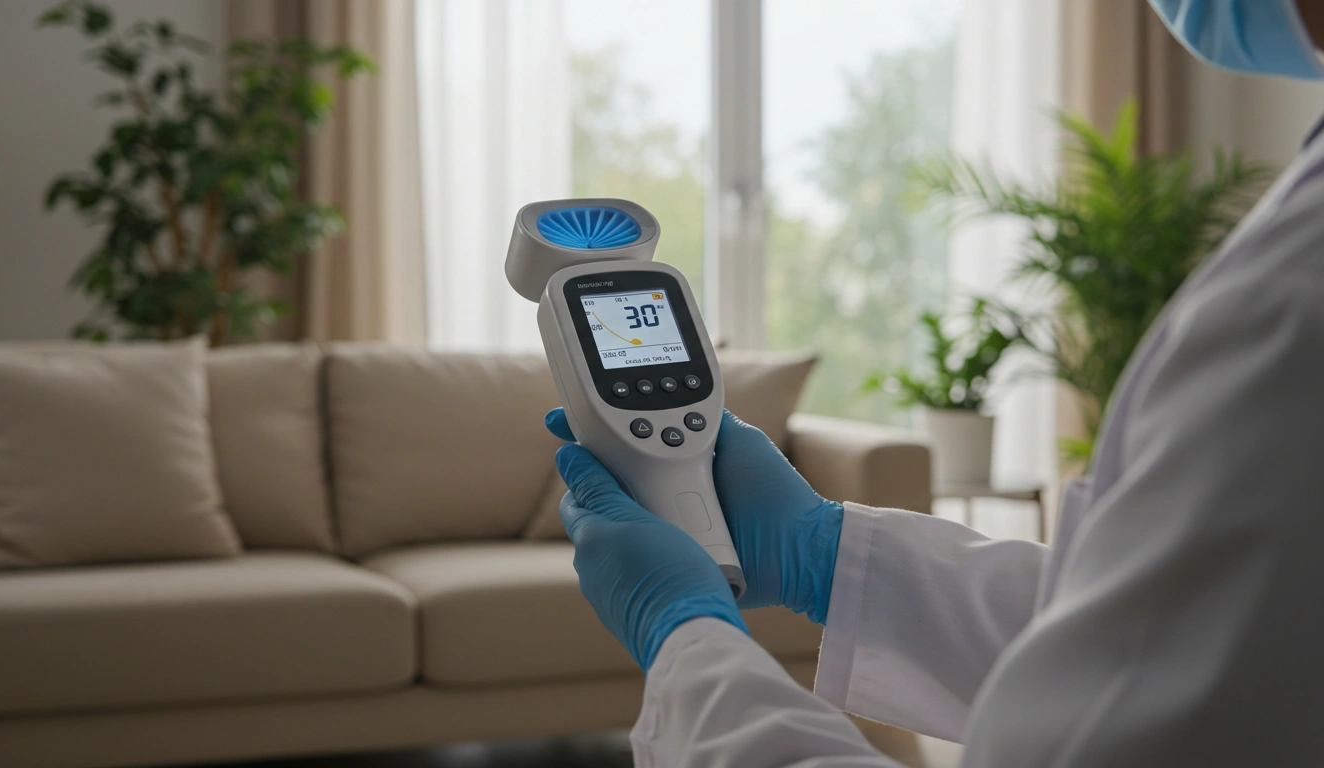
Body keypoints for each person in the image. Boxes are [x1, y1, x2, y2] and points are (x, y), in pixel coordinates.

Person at [542, 1, 1324, 765]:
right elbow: (1165, 634)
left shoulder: (1295, 299)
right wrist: (831, 552)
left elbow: (1150, 703)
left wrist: (687, 643)